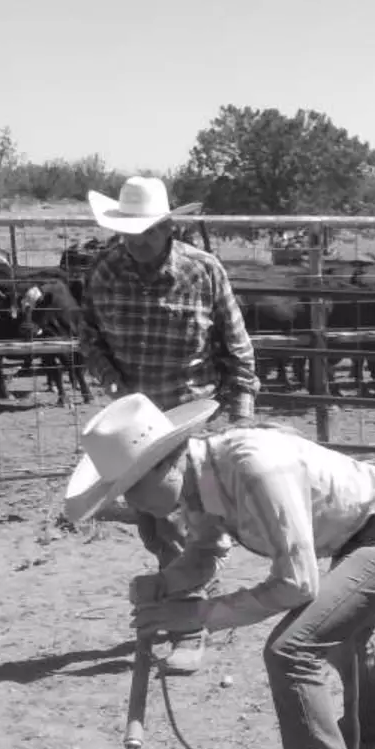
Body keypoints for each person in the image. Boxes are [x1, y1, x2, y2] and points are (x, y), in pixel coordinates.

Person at [62, 394, 375, 749]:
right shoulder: (199, 476)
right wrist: (164, 583)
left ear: (165, 468)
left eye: (132, 488)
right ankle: (373, 729)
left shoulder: (255, 468)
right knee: (337, 633)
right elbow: (207, 549)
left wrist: (198, 615)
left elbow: (297, 583)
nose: (129, 502)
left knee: (291, 649)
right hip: (357, 534)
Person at [77, 176, 260, 675]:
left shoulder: (203, 272)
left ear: (167, 225)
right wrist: (113, 384)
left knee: (182, 523)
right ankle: (184, 603)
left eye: (146, 233)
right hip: (134, 424)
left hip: (192, 414)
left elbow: (236, 346)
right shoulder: (104, 270)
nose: (135, 243)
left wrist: (240, 414)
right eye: (127, 233)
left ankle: (188, 627)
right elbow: (89, 336)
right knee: (156, 523)